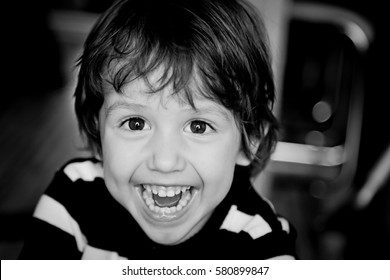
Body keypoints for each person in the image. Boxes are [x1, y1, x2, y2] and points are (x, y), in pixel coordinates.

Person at [19, 0, 296, 259]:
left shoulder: (261, 243)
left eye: (198, 126)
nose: (164, 162)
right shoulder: (73, 199)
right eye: (135, 123)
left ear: (250, 139)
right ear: (97, 129)